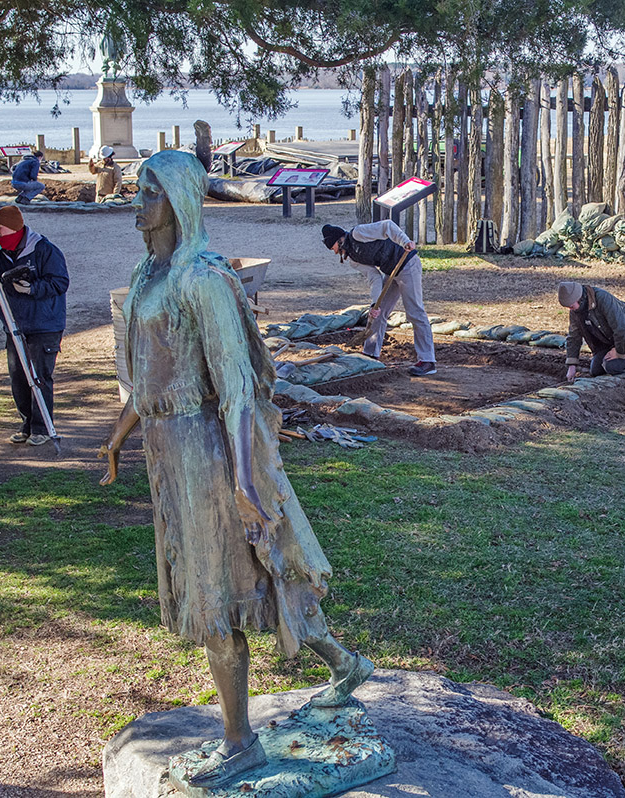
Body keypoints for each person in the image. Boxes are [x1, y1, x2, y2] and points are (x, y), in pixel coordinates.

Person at [98, 150, 374, 788]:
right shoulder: (148, 277)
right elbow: (143, 386)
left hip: (209, 451)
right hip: (166, 454)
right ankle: (342, 662)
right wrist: (115, 441)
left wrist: (247, 482)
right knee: (237, 579)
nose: (136, 202)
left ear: (180, 200)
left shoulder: (202, 278)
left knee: (220, 590)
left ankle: (240, 741)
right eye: (137, 190)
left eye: (150, 192)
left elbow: (238, 385)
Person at [0, 205, 69, 445]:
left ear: (13, 228)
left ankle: (42, 428)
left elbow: (60, 282)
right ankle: (27, 425)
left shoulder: (44, 250)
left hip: (44, 324)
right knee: (19, 376)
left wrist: (32, 288)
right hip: (14, 323)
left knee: (39, 376)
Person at [321, 221, 437, 376]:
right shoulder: (354, 261)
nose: (334, 252)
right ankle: (370, 354)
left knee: (414, 312)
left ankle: (428, 361)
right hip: (391, 272)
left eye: (332, 247)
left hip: (407, 264)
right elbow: (374, 278)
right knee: (377, 313)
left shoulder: (358, 234)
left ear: (337, 241)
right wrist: (376, 304)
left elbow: (386, 226)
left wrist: (404, 241)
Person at [557, 281, 625, 383]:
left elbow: (622, 328)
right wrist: (572, 366)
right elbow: (573, 337)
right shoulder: (576, 311)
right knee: (596, 370)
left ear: (579, 299)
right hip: (612, 341)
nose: (570, 309)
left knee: (612, 366)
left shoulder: (602, 298)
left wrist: (619, 352)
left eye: (571, 306)